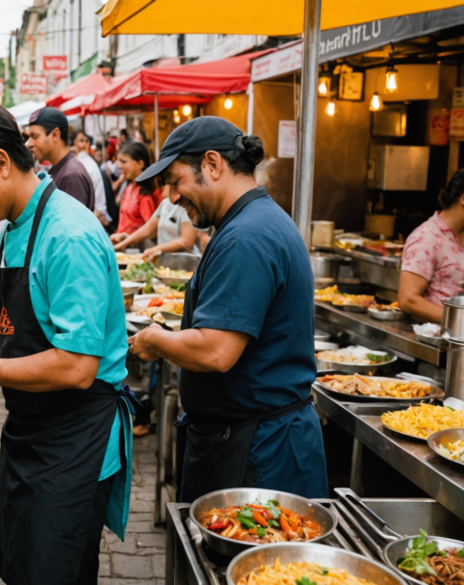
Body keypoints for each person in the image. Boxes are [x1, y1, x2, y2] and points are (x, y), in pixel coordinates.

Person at [0, 103, 136, 585]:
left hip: (76, 436)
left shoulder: (69, 235)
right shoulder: (16, 226)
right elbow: (15, 317)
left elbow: (76, 365)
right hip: (32, 430)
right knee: (20, 563)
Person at [127, 117, 327, 502]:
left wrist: (155, 338)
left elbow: (216, 350)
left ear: (213, 165)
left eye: (174, 180)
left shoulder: (245, 237)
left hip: (256, 450)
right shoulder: (250, 223)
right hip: (250, 437)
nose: (170, 197)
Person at [399, 169, 464, 323]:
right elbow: (408, 299)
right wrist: (459, 322)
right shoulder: (428, 237)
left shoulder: (459, 236)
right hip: (437, 341)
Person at [25, 107, 95, 211]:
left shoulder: (72, 176)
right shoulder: (61, 168)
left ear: (55, 135)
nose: (28, 144)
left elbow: (71, 224)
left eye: (35, 137)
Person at [111, 193, 199, 259]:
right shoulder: (165, 203)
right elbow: (148, 229)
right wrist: (124, 242)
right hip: (165, 262)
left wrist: (155, 249)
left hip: (184, 262)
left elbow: (186, 241)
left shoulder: (188, 205)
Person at [113, 142, 162, 241]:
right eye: (119, 162)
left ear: (140, 163)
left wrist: (128, 238)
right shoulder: (129, 188)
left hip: (135, 250)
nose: (119, 166)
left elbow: (151, 232)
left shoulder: (143, 195)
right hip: (123, 248)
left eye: (124, 161)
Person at [73, 131, 111, 227]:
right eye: (81, 140)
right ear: (74, 143)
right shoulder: (78, 162)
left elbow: (99, 206)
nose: (85, 144)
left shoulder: (87, 164)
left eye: (87, 141)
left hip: (91, 216)